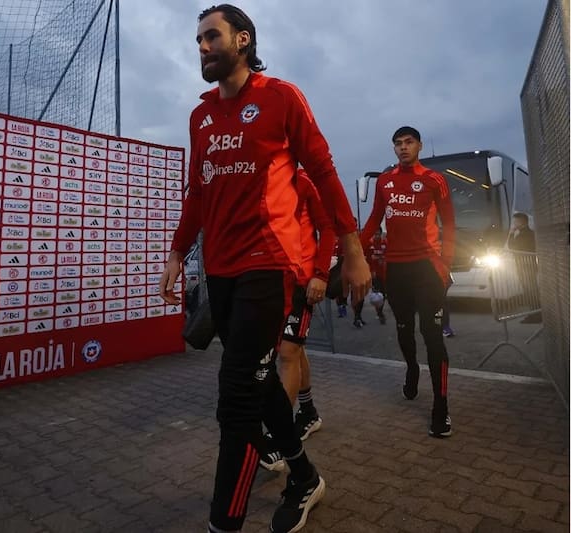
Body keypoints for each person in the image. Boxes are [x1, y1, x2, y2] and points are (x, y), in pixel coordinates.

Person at [159, 5, 371, 532]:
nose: (202, 47)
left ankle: (224, 523)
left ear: (244, 40)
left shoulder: (281, 96)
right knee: (257, 384)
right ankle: (302, 476)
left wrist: (353, 249)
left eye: (212, 37)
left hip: (270, 267)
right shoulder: (200, 116)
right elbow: (199, 193)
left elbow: (322, 169)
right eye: (199, 39)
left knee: (235, 402)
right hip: (222, 272)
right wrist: (177, 252)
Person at [360, 126, 456, 439]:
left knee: (433, 336)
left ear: (419, 146)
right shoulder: (385, 181)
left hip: (427, 268)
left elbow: (450, 223)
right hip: (396, 270)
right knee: (404, 329)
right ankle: (412, 368)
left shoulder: (434, 179)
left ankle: (440, 407)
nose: (403, 148)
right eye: (398, 144)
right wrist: (354, 250)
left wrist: (446, 264)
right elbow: (375, 218)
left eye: (409, 142)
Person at [260, 170, 336, 472]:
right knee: (296, 349)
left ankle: (282, 435)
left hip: (302, 281)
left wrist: (320, 273)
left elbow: (327, 228)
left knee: (288, 353)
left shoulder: (303, 180)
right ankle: (308, 412)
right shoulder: (257, 177)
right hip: (269, 280)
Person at [507, 212, 541, 323]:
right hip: (528, 266)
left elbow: (513, 247)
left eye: (515, 221)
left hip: (526, 267)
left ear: (521, 222)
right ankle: (535, 313)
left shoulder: (525, 234)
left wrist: (511, 234)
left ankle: (535, 315)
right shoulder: (528, 233)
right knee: (530, 291)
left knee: (530, 291)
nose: (514, 224)